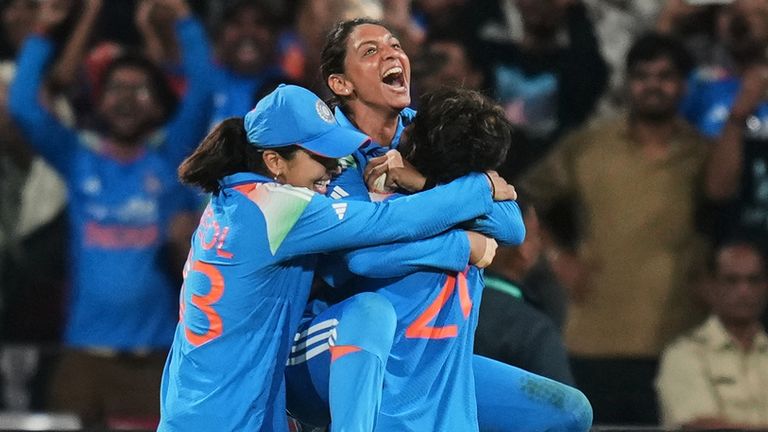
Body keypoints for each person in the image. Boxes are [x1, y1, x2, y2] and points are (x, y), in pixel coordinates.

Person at [158, 83, 516, 431]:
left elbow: (513, 229)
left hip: (200, 404)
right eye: (319, 156)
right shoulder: (279, 208)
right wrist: (479, 189)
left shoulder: (230, 202)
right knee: (367, 314)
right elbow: (387, 222)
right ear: (274, 161)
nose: (331, 168)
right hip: (228, 416)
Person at [286, 86, 591, 431]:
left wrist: (432, 184)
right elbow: (360, 260)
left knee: (572, 412)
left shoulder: (469, 206)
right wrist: (463, 244)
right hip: (381, 375)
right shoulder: (376, 200)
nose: (405, 125)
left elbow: (514, 227)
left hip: (443, 376)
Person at [8, 0, 211, 426]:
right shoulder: (80, 159)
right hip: (84, 358)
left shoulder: (172, 157)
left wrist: (185, 22)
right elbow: (26, 107)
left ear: (158, 106)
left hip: (155, 360)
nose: (126, 99)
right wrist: (45, 31)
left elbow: (204, 89)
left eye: (140, 90)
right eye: (116, 88)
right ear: (99, 104)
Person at [520, 33, 710, 424]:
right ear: (627, 83)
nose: (653, 85)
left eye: (665, 76)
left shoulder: (704, 153)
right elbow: (521, 195)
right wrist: (556, 256)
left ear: (684, 86)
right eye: (642, 76)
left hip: (678, 340)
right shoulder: (589, 146)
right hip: (593, 335)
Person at [656, 238, 768, 429]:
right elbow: (699, 426)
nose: (744, 291)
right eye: (732, 280)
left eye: (753, 280)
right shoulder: (684, 354)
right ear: (712, 286)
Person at [474, 203, 575, 385]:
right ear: (524, 251)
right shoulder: (534, 332)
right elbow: (562, 409)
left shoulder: (441, 306)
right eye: (536, 237)